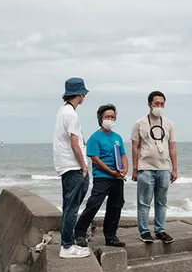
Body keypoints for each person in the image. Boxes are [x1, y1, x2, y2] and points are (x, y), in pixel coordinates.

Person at [74, 104, 128, 248]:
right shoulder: (95, 138)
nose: (110, 119)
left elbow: (123, 155)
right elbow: (95, 159)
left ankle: (111, 237)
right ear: (100, 119)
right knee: (93, 205)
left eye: (112, 117)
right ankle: (79, 233)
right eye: (107, 117)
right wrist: (110, 171)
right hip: (103, 177)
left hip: (117, 177)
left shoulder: (117, 137)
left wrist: (125, 169)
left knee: (116, 206)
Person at [131, 90, 177, 244]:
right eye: (156, 103)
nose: (159, 106)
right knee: (144, 202)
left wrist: (174, 168)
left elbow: (172, 147)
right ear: (149, 104)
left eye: (162, 104)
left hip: (164, 169)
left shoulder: (169, 124)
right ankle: (144, 231)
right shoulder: (140, 123)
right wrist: (135, 168)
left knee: (161, 202)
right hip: (146, 168)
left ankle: (160, 230)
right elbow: (135, 147)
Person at [53, 77, 90, 258]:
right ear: (80, 94)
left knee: (69, 206)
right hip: (73, 166)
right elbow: (75, 145)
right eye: (84, 94)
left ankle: (68, 243)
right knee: (72, 207)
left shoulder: (63, 111)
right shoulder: (71, 115)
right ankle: (67, 246)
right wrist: (83, 166)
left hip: (66, 165)